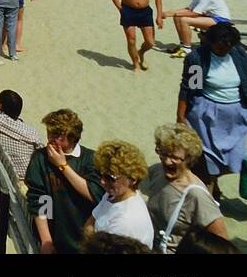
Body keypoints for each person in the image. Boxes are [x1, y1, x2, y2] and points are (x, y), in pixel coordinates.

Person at [176, 22, 247, 200]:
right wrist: (181, 116)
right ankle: (209, 192)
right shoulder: (198, 58)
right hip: (207, 115)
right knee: (208, 160)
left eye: (227, 46)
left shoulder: (238, 54)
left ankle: (212, 185)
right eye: (219, 46)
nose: (223, 49)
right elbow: (189, 88)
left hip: (237, 115)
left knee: (238, 157)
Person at [24, 108, 104, 254]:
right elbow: (41, 199)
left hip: (84, 241)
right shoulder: (40, 158)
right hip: (55, 239)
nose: (50, 138)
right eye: (49, 133)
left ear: (73, 137)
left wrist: (62, 166)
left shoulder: (91, 159)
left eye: (57, 135)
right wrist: (46, 240)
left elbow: (94, 194)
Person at [145, 123, 228, 252]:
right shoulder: (157, 171)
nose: (167, 161)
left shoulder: (196, 195)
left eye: (174, 157)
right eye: (163, 153)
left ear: (189, 158)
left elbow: (222, 242)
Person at [82, 140, 154, 246]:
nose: (102, 181)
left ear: (133, 179)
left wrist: (91, 241)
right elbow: (89, 224)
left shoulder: (126, 221)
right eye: (101, 174)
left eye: (110, 178)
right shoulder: (112, 195)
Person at [164, 0, 233, 56]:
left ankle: (187, 49)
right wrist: (169, 13)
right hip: (211, 17)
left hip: (221, 21)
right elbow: (189, 9)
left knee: (184, 20)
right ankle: (183, 45)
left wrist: (174, 13)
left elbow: (196, 13)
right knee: (177, 17)